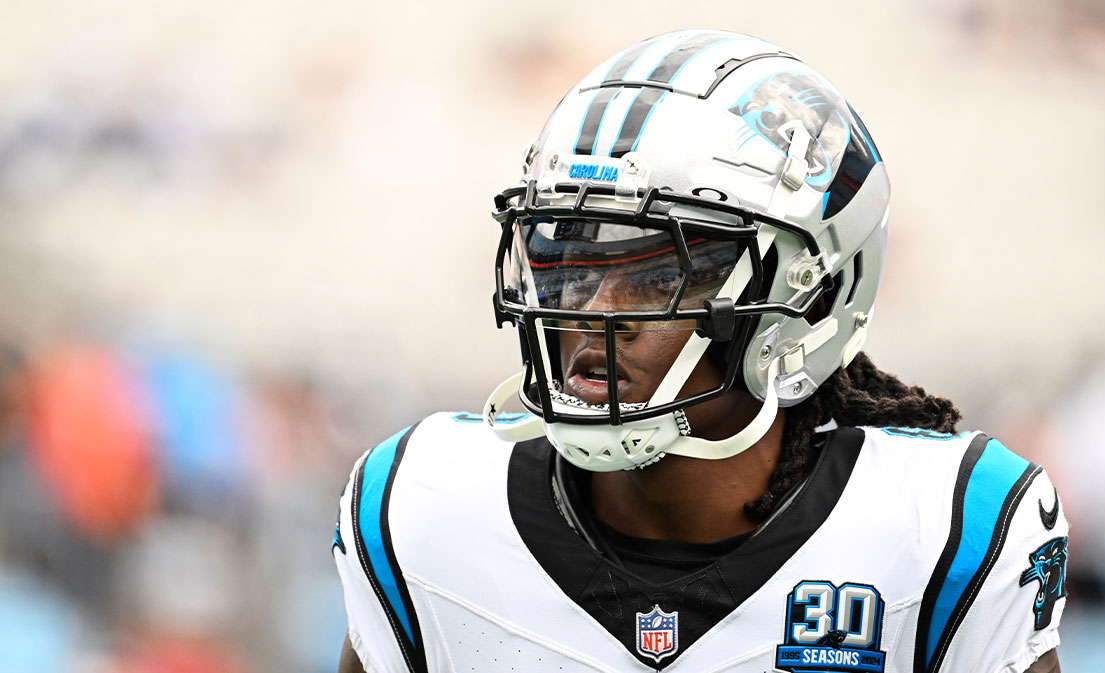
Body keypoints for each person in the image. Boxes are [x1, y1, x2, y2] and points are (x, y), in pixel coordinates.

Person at [332, 29, 1068, 673]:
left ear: (810, 298)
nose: (594, 312)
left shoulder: (944, 531)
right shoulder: (425, 513)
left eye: (663, 275)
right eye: (574, 263)